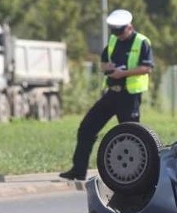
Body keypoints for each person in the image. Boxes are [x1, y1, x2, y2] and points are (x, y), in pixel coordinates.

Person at [59, 9, 154, 180]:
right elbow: (103, 63)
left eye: (121, 31)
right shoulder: (113, 40)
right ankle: (78, 171)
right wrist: (108, 68)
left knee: (132, 137)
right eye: (115, 31)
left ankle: (136, 176)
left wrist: (123, 74)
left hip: (129, 97)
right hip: (111, 94)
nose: (118, 35)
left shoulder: (142, 42)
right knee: (86, 128)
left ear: (130, 27)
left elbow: (147, 67)